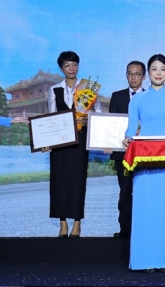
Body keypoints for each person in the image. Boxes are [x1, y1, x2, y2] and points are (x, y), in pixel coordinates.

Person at [123, 54, 165, 272]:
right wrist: (127, 138)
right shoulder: (137, 99)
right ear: (148, 73)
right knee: (146, 208)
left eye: (162, 69)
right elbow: (131, 128)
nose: (158, 73)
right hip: (145, 161)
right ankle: (145, 260)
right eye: (154, 69)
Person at [47, 51, 101, 239]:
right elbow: (51, 116)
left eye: (74, 64)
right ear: (61, 68)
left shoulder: (88, 88)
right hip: (60, 143)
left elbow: (98, 113)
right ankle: (62, 222)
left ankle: (77, 222)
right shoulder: (54, 90)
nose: (71, 68)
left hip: (80, 141)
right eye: (67, 65)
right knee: (58, 181)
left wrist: (88, 119)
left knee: (78, 180)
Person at [108, 60, 146, 238]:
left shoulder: (151, 96)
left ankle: (143, 229)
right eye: (130, 74)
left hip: (145, 154)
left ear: (144, 76)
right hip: (121, 153)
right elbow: (111, 124)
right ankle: (125, 229)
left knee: (143, 192)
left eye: (137, 74)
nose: (133, 77)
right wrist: (107, 142)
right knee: (125, 191)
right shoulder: (117, 96)